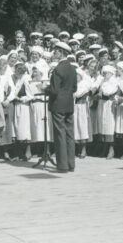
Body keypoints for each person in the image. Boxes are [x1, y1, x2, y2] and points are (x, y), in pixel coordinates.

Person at [45, 42, 77, 173]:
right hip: (69, 104)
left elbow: (54, 90)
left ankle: (62, 165)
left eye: (56, 51)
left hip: (58, 104)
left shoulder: (58, 69)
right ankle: (71, 164)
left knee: (60, 135)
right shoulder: (72, 68)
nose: (54, 53)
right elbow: (75, 88)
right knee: (69, 134)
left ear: (61, 52)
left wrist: (45, 88)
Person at [9, 61, 33, 161]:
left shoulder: (26, 79)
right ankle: (19, 153)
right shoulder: (18, 79)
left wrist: (21, 99)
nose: (15, 72)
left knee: (25, 129)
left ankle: (27, 152)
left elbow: (31, 95)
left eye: (17, 70)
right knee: (18, 129)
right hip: (17, 105)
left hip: (24, 106)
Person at [96, 65, 118, 159]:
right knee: (102, 125)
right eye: (104, 73)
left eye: (107, 73)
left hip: (110, 104)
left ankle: (111, 149)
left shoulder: (114, 81)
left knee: (110, 126)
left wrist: (101, 90)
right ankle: (104, 148)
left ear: (111, 73)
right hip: (102, 104)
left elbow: (107, 92)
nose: (105, 75)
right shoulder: (102, 81)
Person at [73, 68, 91, 158]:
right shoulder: (73, 84)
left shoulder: (84, 85)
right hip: (74, 107)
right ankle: (77, 149)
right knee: (75, 127)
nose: (75, 77)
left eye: (77, 75)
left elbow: (77, 94)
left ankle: (84, 149)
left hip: (82, 107)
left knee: (82, 127)